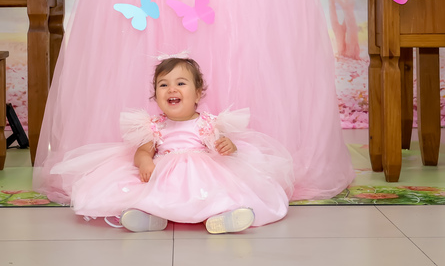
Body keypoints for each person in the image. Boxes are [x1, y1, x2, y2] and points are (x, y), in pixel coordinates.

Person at [50, 56, 294, 233]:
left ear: (198, 94)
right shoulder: (154, 125)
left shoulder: (209, 122)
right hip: (165, 175)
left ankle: (221, 218)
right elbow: (143, 151)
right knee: (150, 194)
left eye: (181, 83)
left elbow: (222, 144)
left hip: (203, 174)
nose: (171, 89)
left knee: (217, 194)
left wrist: (228, 145)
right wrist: (145, 162)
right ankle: (151, 218)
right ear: (155, 96)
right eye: (163, 84)